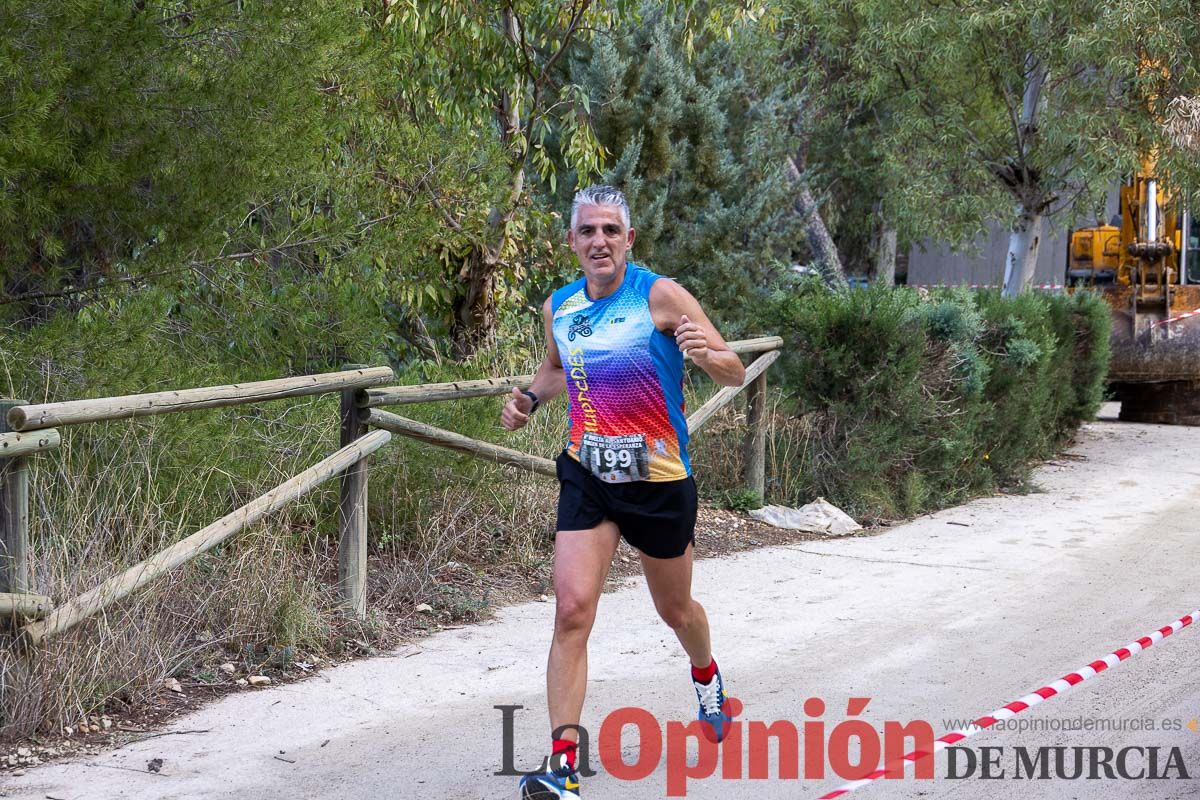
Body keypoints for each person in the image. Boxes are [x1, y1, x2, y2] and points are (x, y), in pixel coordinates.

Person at [501, 185, 746, 799]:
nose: (600, 241)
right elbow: (559, 367)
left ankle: (706, 672)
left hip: (658, 482)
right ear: (573, 242)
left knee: (676, 611)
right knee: (572, 611)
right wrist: (531, 398)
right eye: (588, 231)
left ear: (628, 240)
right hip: (588, 475)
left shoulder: (658, 295)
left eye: (611, 230)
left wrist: (703, 354)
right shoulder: (562, 306)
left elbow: (733, 368)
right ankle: (563, 768)